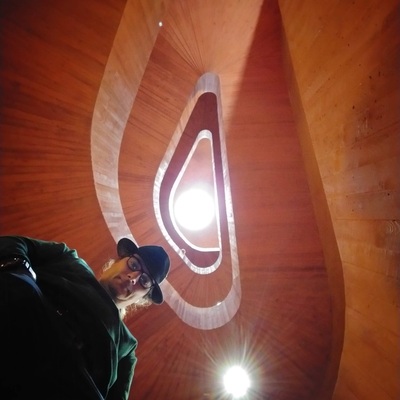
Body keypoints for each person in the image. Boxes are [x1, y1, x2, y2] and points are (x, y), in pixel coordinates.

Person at [0, 235, 170, 400]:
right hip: (23, 318)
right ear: (118, 261)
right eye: (133, 264)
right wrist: (20, 272)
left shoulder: (127, 348)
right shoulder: (69, 259)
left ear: (142, 298)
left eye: (144, 281)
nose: (133, 278)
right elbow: (15, 244)